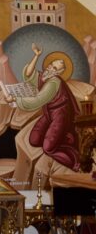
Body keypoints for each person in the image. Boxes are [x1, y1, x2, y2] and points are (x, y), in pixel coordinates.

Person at [6, 43, 81, 171]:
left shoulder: (53, 83)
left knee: (48, 148)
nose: (50, 67)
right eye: (51, 65)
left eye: (55, 68)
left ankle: (76, 163)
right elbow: (29, 75)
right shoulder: (45, 76)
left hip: (60, 117)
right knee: (34, 140)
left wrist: (15, 99)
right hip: (49, 115)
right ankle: (59, 138)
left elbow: (37, 101)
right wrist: (36, 56)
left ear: (59, 72)